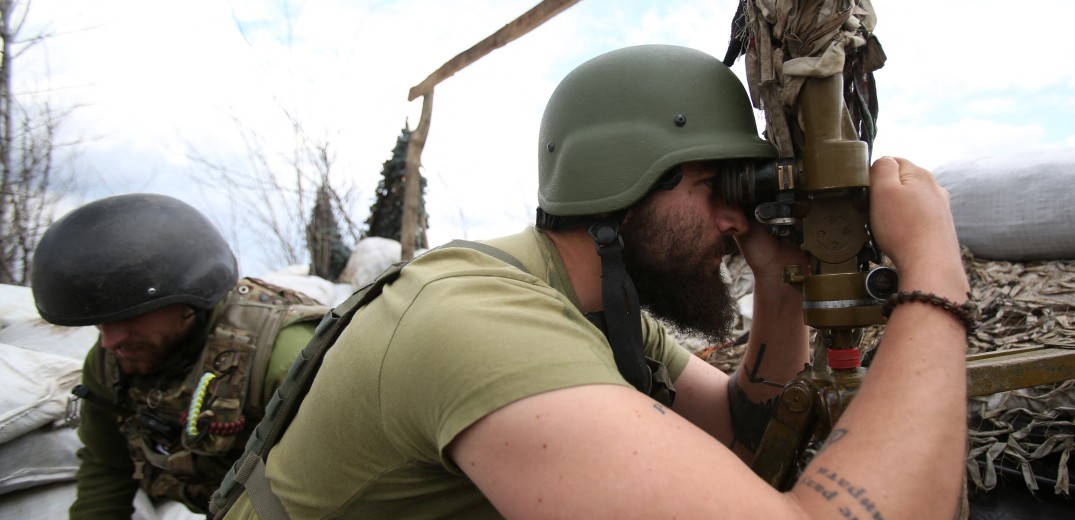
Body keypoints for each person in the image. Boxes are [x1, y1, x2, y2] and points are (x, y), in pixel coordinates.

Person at [220, 44, 971, 519]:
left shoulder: (580, 304)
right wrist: (934, 272)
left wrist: (777, 290)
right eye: (717, 187)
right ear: (622, 181)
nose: (735, 221)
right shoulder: (480, 326)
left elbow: (735, 427)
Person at [30, 193, 329, 517]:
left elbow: (336, 489)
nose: (109, 341)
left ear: (190, 297)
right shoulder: (112, 363)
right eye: (100, 322)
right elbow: (106, 467)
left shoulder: (284, 357)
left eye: (129, 316)